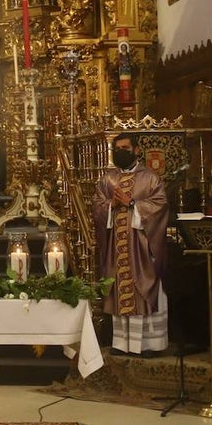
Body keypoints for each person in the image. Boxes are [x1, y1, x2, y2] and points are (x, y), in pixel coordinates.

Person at [92, 132, 170, 356]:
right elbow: (97, 207)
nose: (120, 152)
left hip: (141, 248)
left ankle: (149, 344)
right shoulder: (108, 179)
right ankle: (122, 343)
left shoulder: (150, 177)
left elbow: (160, 206)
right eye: (117, 148)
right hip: (118, 247)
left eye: (125, 148)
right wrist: (111, 205)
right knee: (119, 288)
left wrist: (132, 203)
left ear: (136, 150)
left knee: (142, 286)